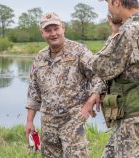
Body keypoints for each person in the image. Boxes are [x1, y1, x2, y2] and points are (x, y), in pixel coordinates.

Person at [25, 12, 105, 157]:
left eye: (56, 28)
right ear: (42, 33)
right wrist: (29, 121)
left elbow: (99, 75)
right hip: (48, 123)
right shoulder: (40, 57)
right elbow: (34, 91)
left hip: (73, 121)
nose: (53, 33)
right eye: (48, 30)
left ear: (63, 28)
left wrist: (89, 104)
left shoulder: (79, 51)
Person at [82, 0, 139, 158]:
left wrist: (85, 56)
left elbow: (103, 67)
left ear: (116, 1)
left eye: (108, 3)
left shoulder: (129, 31)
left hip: (132, 116)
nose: (109, 8)